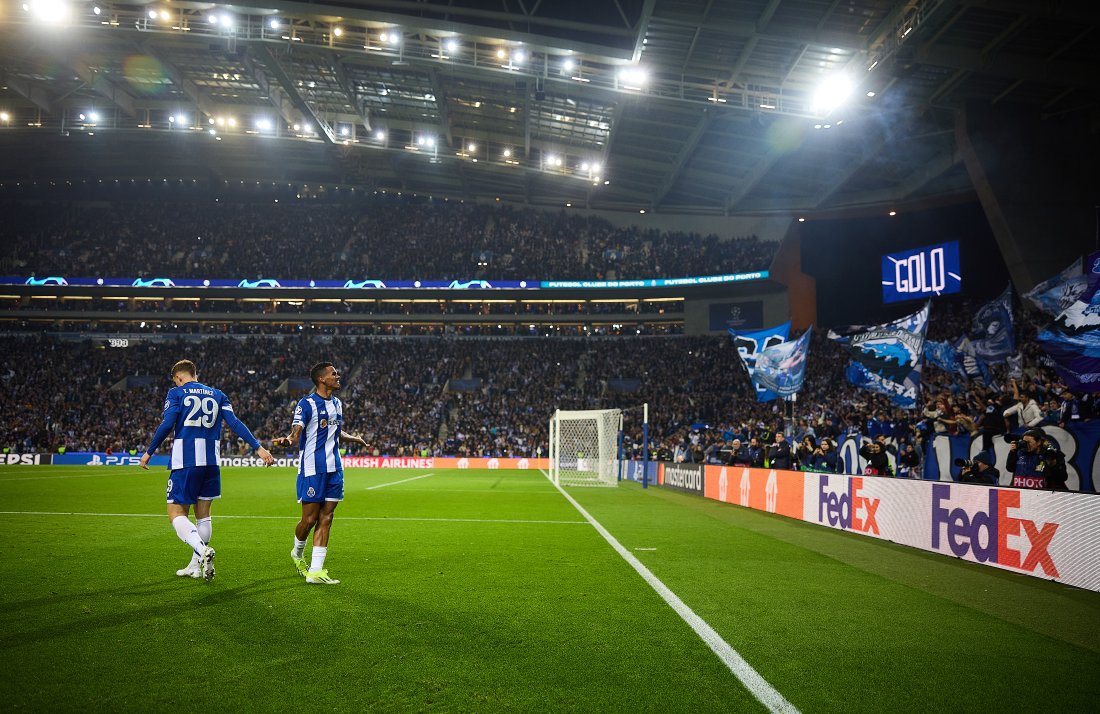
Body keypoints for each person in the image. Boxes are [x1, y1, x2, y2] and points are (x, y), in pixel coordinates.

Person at [140, 359, 275, 581]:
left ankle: (202, 551)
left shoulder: (176, 393)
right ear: (196, 374)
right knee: (203, 515)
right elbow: (235, 423)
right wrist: (258, 448)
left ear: (179, 377)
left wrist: (149, 451)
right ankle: (195, 565)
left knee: (176, 513)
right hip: (211, 463)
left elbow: (167, 423)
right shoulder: (218, 394)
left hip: (186, 462)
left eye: (176, 380)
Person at [273, 362, 367, 585]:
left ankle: (315, 571)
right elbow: (296, 433)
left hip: (335, 468)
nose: (338, 375)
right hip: (312, 469)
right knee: (309, 519)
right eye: (333, 373)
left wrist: (354, 438)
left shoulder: (337, 403)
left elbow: (335, 430)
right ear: (321, 380)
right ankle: (297, 552)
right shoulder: (306, 404)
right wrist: (287, 440)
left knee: (327, 517)